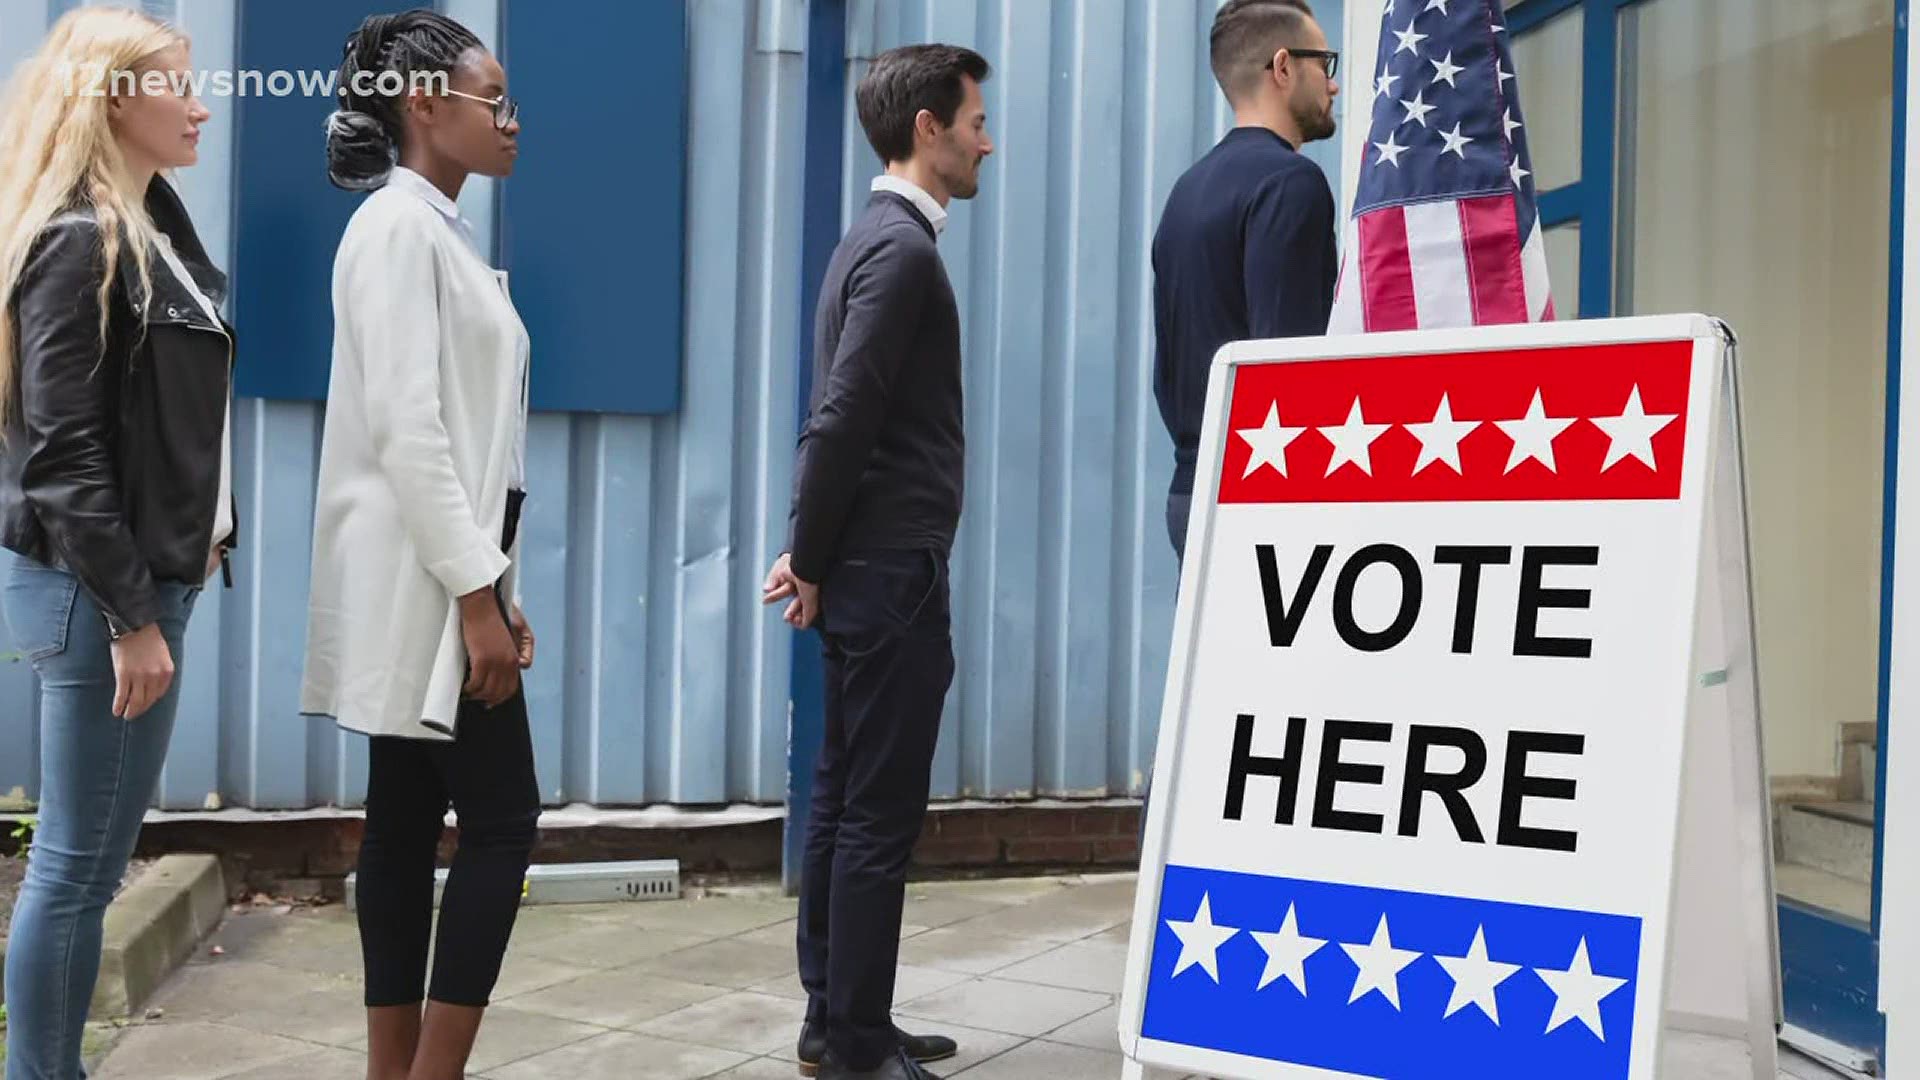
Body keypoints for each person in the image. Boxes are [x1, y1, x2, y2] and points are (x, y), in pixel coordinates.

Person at [299, 11, 535, 1080]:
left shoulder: (434, 230)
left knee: (400, 821)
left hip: (452, 581)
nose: (513, 122)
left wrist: (495, 585)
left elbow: (469, 444)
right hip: (433, 593)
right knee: (500, 822)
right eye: (497, 102)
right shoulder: (398, 231)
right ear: (424, 105)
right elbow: (408, 428)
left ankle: (393, 1074)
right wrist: (476, 597)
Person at [0, 8, 233, 1077]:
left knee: (87, 864)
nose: (200, 104)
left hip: (142, 586)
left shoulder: (157, 228)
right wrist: (133, 614)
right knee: (75, 868)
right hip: (102, 597)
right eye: (177, 86)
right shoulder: (78, 239)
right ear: (110, 100)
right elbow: (62, 453)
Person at [761, 43, 993, 1080]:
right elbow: (843, 415)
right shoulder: (901, 252)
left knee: (843, 797)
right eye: (975, 118)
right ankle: (854, 1042)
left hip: (862, 566)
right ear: (928, 129)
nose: (988, 137)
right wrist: (809, 555)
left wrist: (812, 551)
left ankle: (837, 1022)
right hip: (890, 572)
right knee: (875, 815)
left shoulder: (869, 239)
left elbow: (843, 418)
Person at [1153, 0, 1341, 564]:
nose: (1332, 86)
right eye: (1324, 64)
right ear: (1283, 67)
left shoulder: (1186, 192)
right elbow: (1288, 367)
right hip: (1261, 492)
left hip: (1191, 490)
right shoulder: (1291, 183)